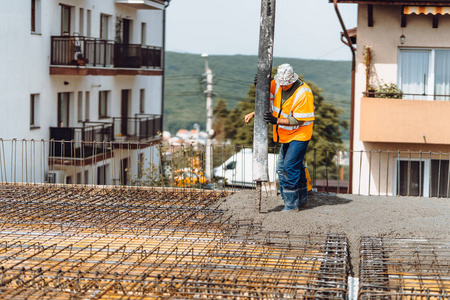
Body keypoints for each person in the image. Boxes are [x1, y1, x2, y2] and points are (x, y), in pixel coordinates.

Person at [246, 64, 314, 211]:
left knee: (288, 167)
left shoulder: (304, 93)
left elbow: (299, 120)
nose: (282, 87)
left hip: (299, 134)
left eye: (286, 84)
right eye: (280, 84)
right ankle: (302, 199)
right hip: (286, 134)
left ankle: (290, 205)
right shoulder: (277, 84)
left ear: (293, 80)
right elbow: (265, 96)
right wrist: (260, 84)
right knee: (294, 166)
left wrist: (276, 121)